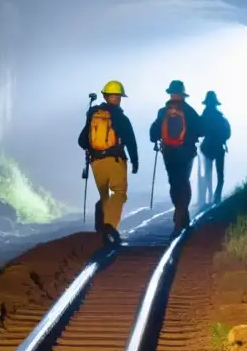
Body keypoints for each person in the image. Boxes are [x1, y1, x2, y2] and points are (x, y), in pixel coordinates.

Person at [77, 80, 138, 244]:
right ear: (119, 98)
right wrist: (135, 162)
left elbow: (82, 141)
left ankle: (101, 229)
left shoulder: (93, 115)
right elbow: (131, 141)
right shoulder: (120, 117)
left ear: (104, 96)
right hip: (115, 160)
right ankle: (110, 226)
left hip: (96, 162)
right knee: (119, 193)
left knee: (104, 196)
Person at [149, 79, 201, 232]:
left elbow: (153, 133)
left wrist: (160, 137)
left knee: (174, 182)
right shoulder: (190, 111)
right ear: (183, 94)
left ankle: (179, 213)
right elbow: (202, 129)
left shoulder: (162, 112)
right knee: (184, 181)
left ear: (170, 94)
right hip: (186, 152)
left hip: (168, 152)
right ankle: (181, 213)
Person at [199, 90, 231, 206]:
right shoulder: (220, 116)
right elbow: (227, 133)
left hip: (207, 147)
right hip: (218, 147)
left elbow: (200, 132)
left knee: (208, 174)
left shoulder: (203, 116)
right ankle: (216, 197)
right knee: (220, 175)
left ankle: (211, 196)